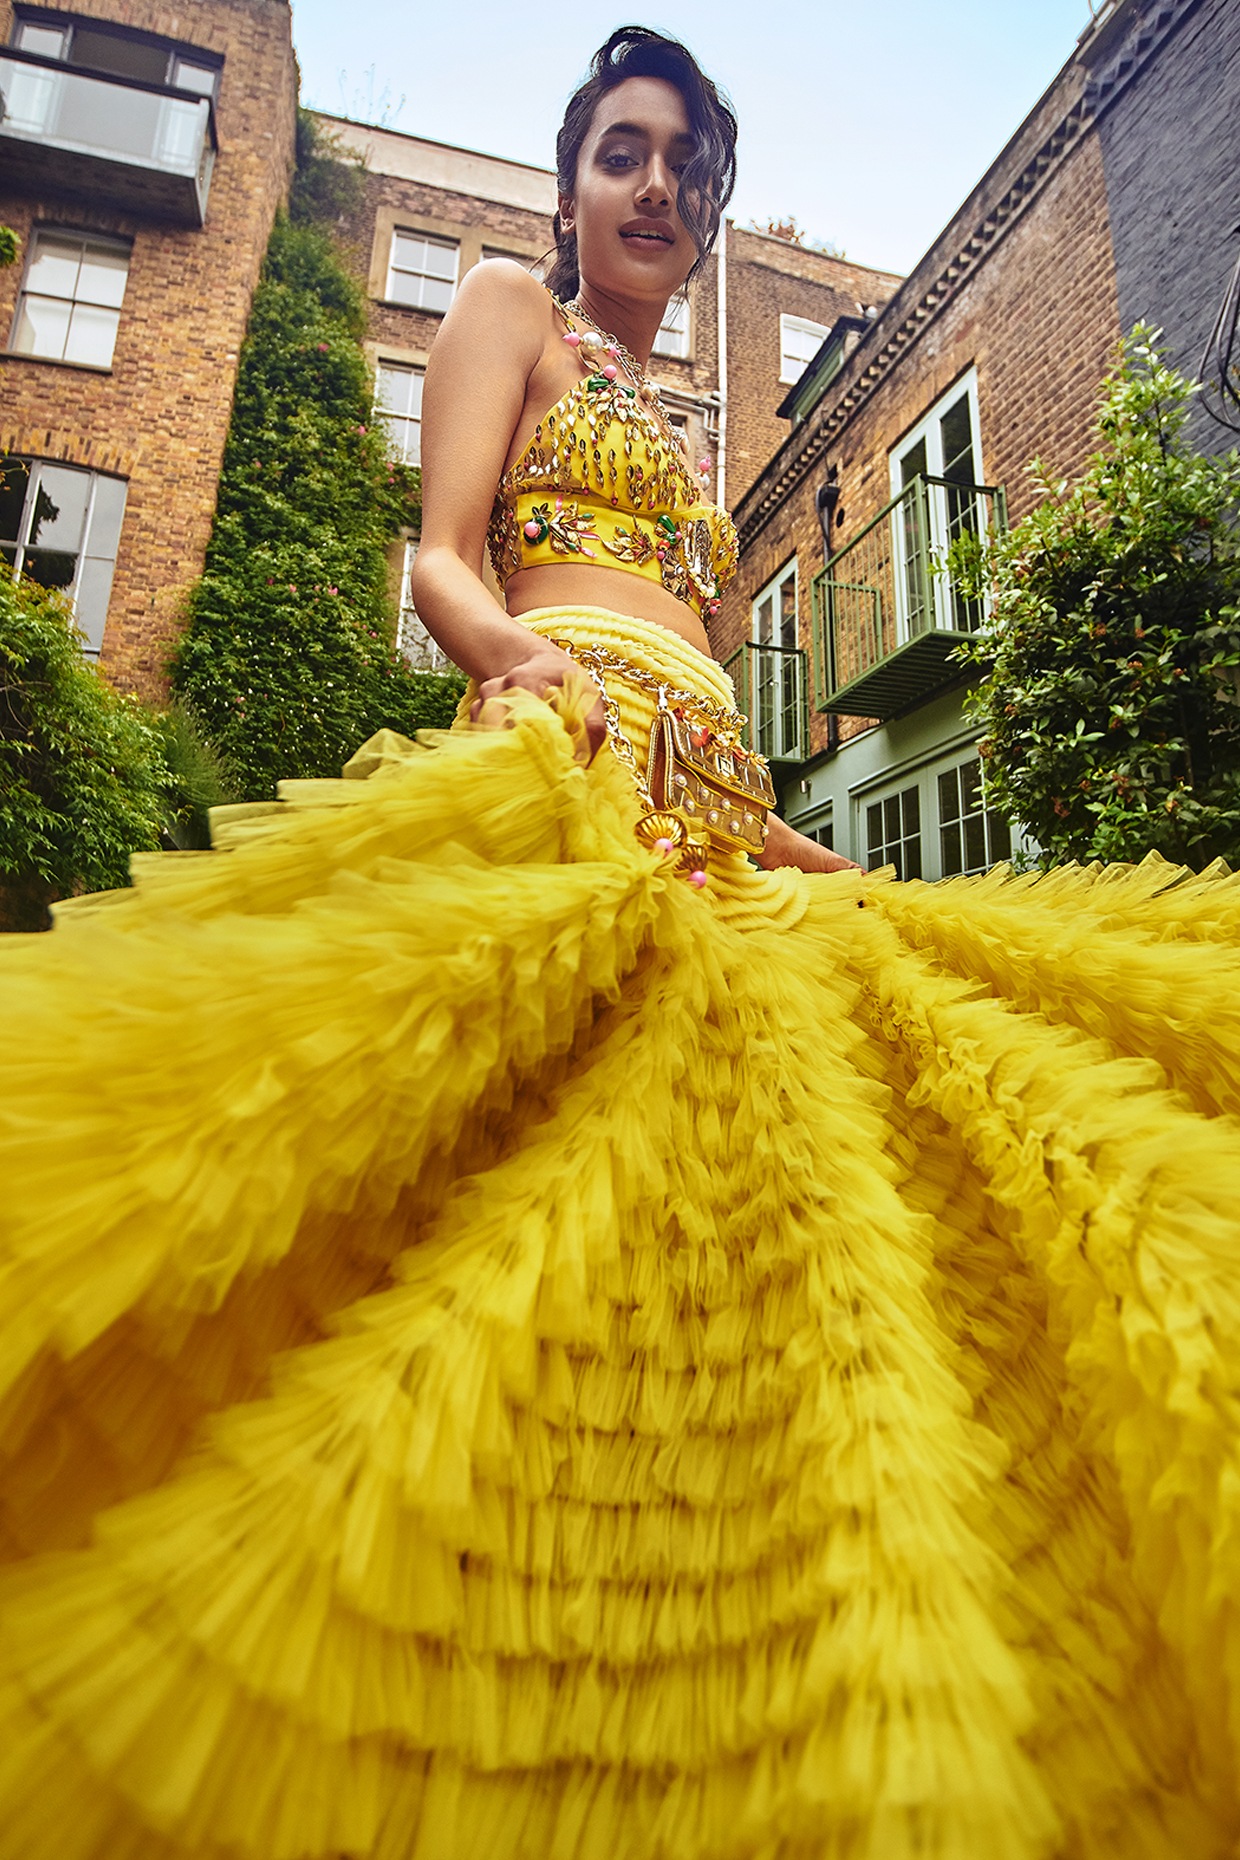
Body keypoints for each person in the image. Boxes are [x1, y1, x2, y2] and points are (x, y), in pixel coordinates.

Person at [0, 24, 1238, 1860]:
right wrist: (522, 664)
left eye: (692, 172)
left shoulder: (691, 430)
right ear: (571, 185)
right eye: (626, 155)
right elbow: (440, 556)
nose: (662, 190)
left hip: (722, 801)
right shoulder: (511, 307)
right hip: (560, 734)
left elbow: (721, 685)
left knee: (846, 1129)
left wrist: (780, 828)